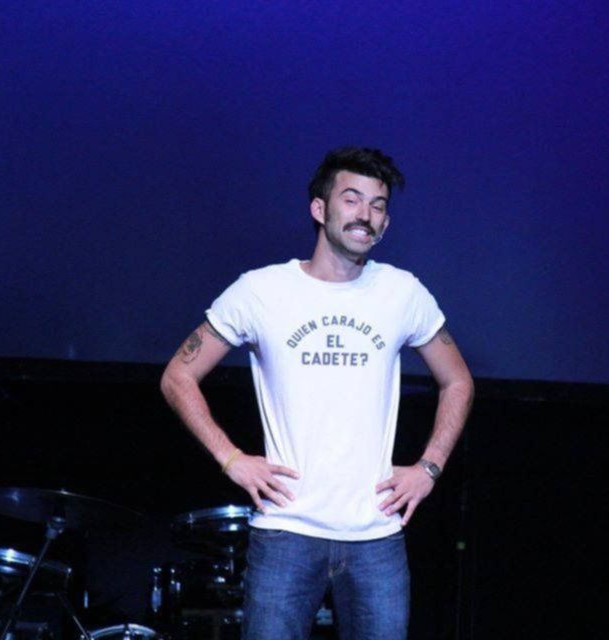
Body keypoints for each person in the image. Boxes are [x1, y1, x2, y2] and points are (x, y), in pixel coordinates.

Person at [160, 147, 474, 640]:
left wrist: (429, 468)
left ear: (386, 222)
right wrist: (231, 459)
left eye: (377, 205)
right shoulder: (261, 291)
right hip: (286, 532)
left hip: (375, 536)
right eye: (352, 199)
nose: (365, 214)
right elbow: (178, 376)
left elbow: (458, 381)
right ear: (319, 208)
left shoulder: (402, 292)